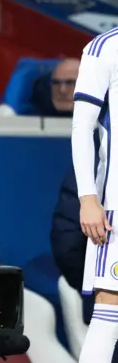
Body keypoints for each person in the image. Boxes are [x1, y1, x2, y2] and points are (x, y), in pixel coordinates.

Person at [72, 26, 118, 363]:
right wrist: (88, 196)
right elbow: (82, 126)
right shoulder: (104, 48)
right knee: (110, 306)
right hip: (115, 202)